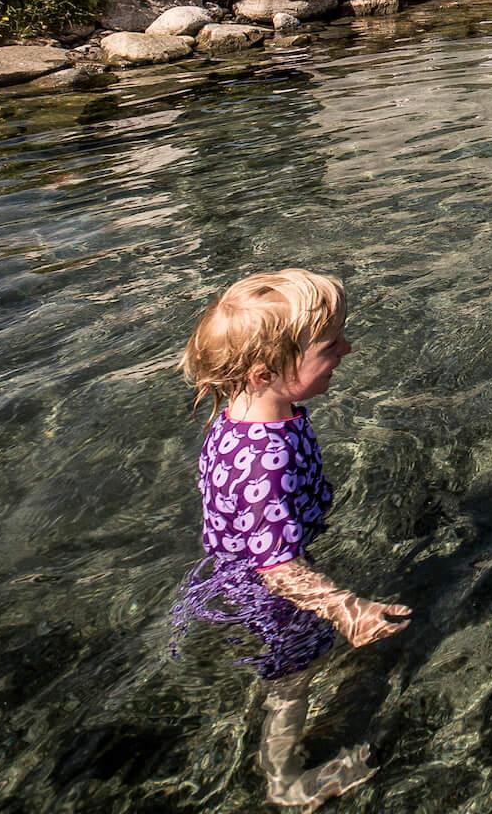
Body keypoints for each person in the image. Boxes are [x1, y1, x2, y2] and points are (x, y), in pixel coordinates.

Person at [172, 270, 409, 808]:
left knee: (289, 675)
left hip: (245, 566)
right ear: (264, 372)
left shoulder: (241, 420)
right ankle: (285, 782)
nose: (346, 348)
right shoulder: (266, 460)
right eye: (330, 346)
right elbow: (276, 568)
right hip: (269, 592)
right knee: (291, 683)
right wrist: (348, 607)